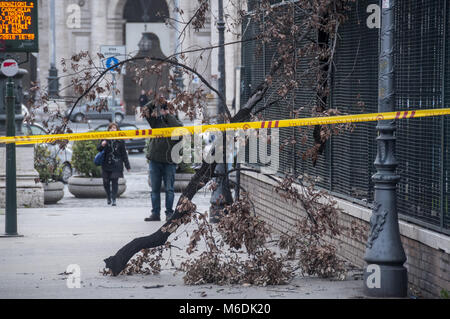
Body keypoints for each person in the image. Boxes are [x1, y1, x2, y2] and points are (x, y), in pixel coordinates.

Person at [144, 101, 183, 222]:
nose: (165, 110)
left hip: (169, 162)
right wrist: (156, 101)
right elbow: (146, 110)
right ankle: (155, 213)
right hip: (155, 160)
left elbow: (178, 130)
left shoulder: (176, 122)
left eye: (168, 109)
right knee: (155, 189)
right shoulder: (156, 122)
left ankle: (169, 213)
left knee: (169, 189)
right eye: (164, 109)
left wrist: (168, 115)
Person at [97, 123, 131, 206]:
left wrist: (127, 166)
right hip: (106, 163)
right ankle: (108, 196)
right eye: (111, 128)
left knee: (114, 180)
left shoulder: (120, 140)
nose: (112, 129)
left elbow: (124, 154)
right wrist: (102, 144)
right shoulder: (105, 138)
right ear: (108, 130)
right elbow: (98, 149)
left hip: (117, 164)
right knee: (106, 182)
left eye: (114, 128)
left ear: (117, 129)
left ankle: (114, 199)